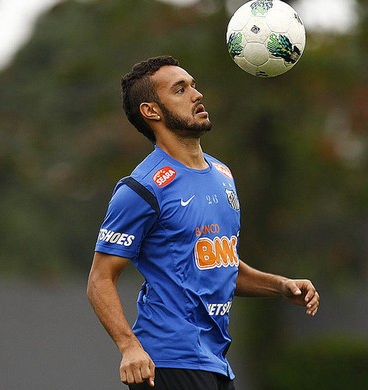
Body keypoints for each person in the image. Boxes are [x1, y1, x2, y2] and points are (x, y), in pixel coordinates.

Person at [86, 55, 319, 389]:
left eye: (193, 85)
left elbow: (220, 265)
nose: (197, 95)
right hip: (167, 360)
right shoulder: (142, 188)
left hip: (215, 362)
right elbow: (100, 279)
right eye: (180, 90)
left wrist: (280, 285)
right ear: (151, 111)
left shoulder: (222, 174)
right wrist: (129, 347)